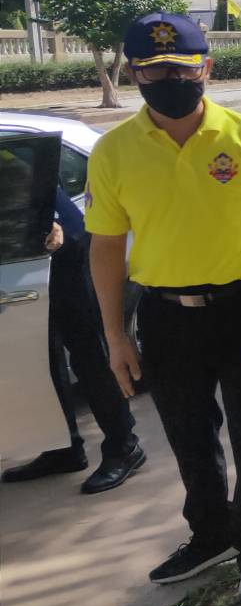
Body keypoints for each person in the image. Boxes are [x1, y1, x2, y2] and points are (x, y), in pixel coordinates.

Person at [85, 14, 241, 606]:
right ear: (133, 73)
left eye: (180, 68)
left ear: (207, 68)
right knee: (190, 440)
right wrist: (116, 334)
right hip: (167, 318)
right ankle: (211, 533)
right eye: (151, 70)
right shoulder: (115, 151)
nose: (167, 79)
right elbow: (103, 247)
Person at [1, 185, 145, 493]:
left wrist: (49, 221)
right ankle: (62, 447)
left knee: (88, 350)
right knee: (41, 355)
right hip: (21, 253)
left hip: (61, 248)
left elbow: (38, 170)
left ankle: (124, 447)